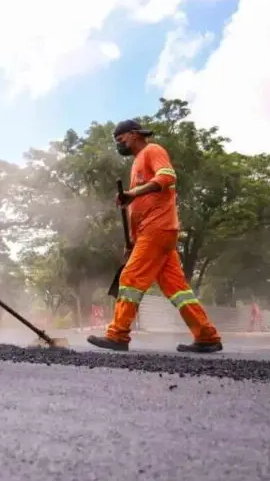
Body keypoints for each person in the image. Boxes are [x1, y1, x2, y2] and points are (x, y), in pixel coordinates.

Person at [87, 119, 223, 353]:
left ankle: (117, 335)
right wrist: (131, 242)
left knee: (130, 278)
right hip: (153, 232)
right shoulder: (137, 163)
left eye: (120, 139)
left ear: (134, 134)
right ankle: (207, 336)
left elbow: (167, 177)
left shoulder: (153, 150)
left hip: (157, 228)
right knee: (177, 289)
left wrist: (133, 193)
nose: (119, 144)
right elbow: (139, 207)